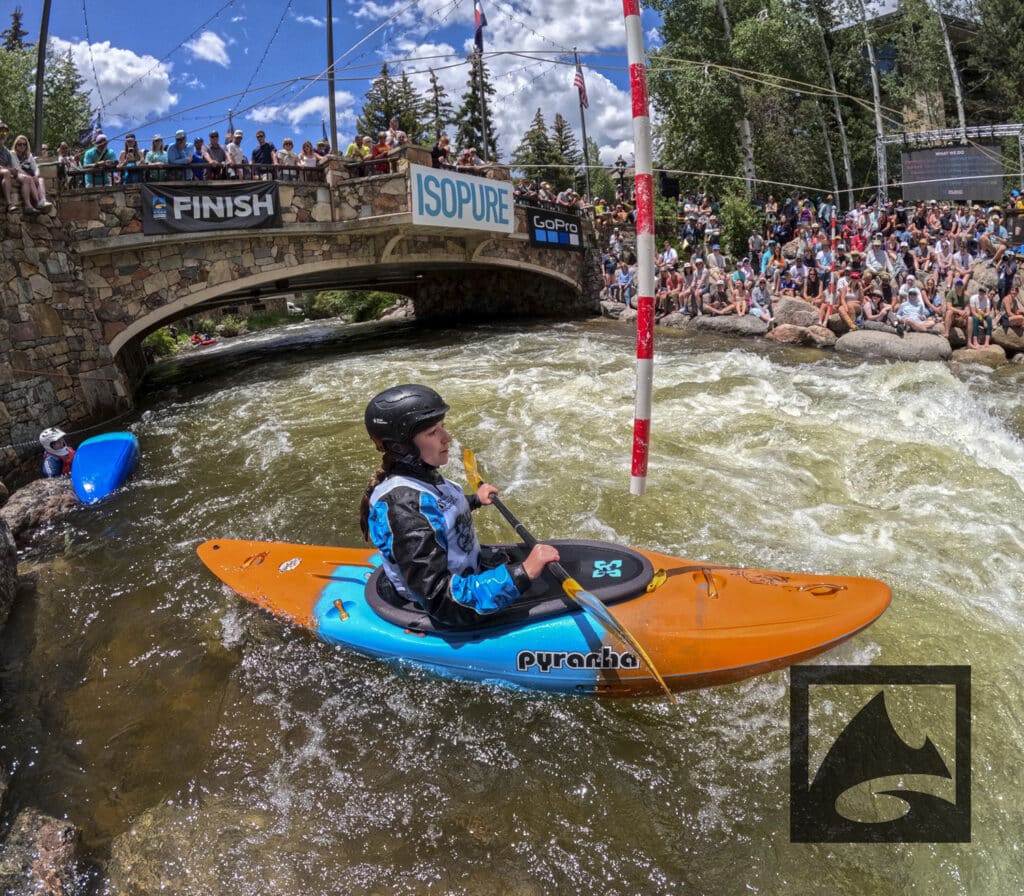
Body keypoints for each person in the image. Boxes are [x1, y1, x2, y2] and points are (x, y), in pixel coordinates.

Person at [358, 385, 559, 629]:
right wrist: (522, 573)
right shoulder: (402, 507)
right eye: (433, 432)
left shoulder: (422, 477)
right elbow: (441, 601)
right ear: (401, 447)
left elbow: (438, 513)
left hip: (466, 576)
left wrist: (474, 500)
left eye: (442, 426)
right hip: (447, 605)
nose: (447, 437)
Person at [10, 134, 50, 210]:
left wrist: (36, 175)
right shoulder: (12, 154)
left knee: (40, 179)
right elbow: (17, 168)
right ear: (16, 145)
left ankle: (43, 200)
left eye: (24, 144)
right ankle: (38, 202)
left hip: (30, 175)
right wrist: (31, 176)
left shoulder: (29, 155)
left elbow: (36, 168)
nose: (22, 146)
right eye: (19, 144)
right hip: (18, 175)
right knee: (29, 178)